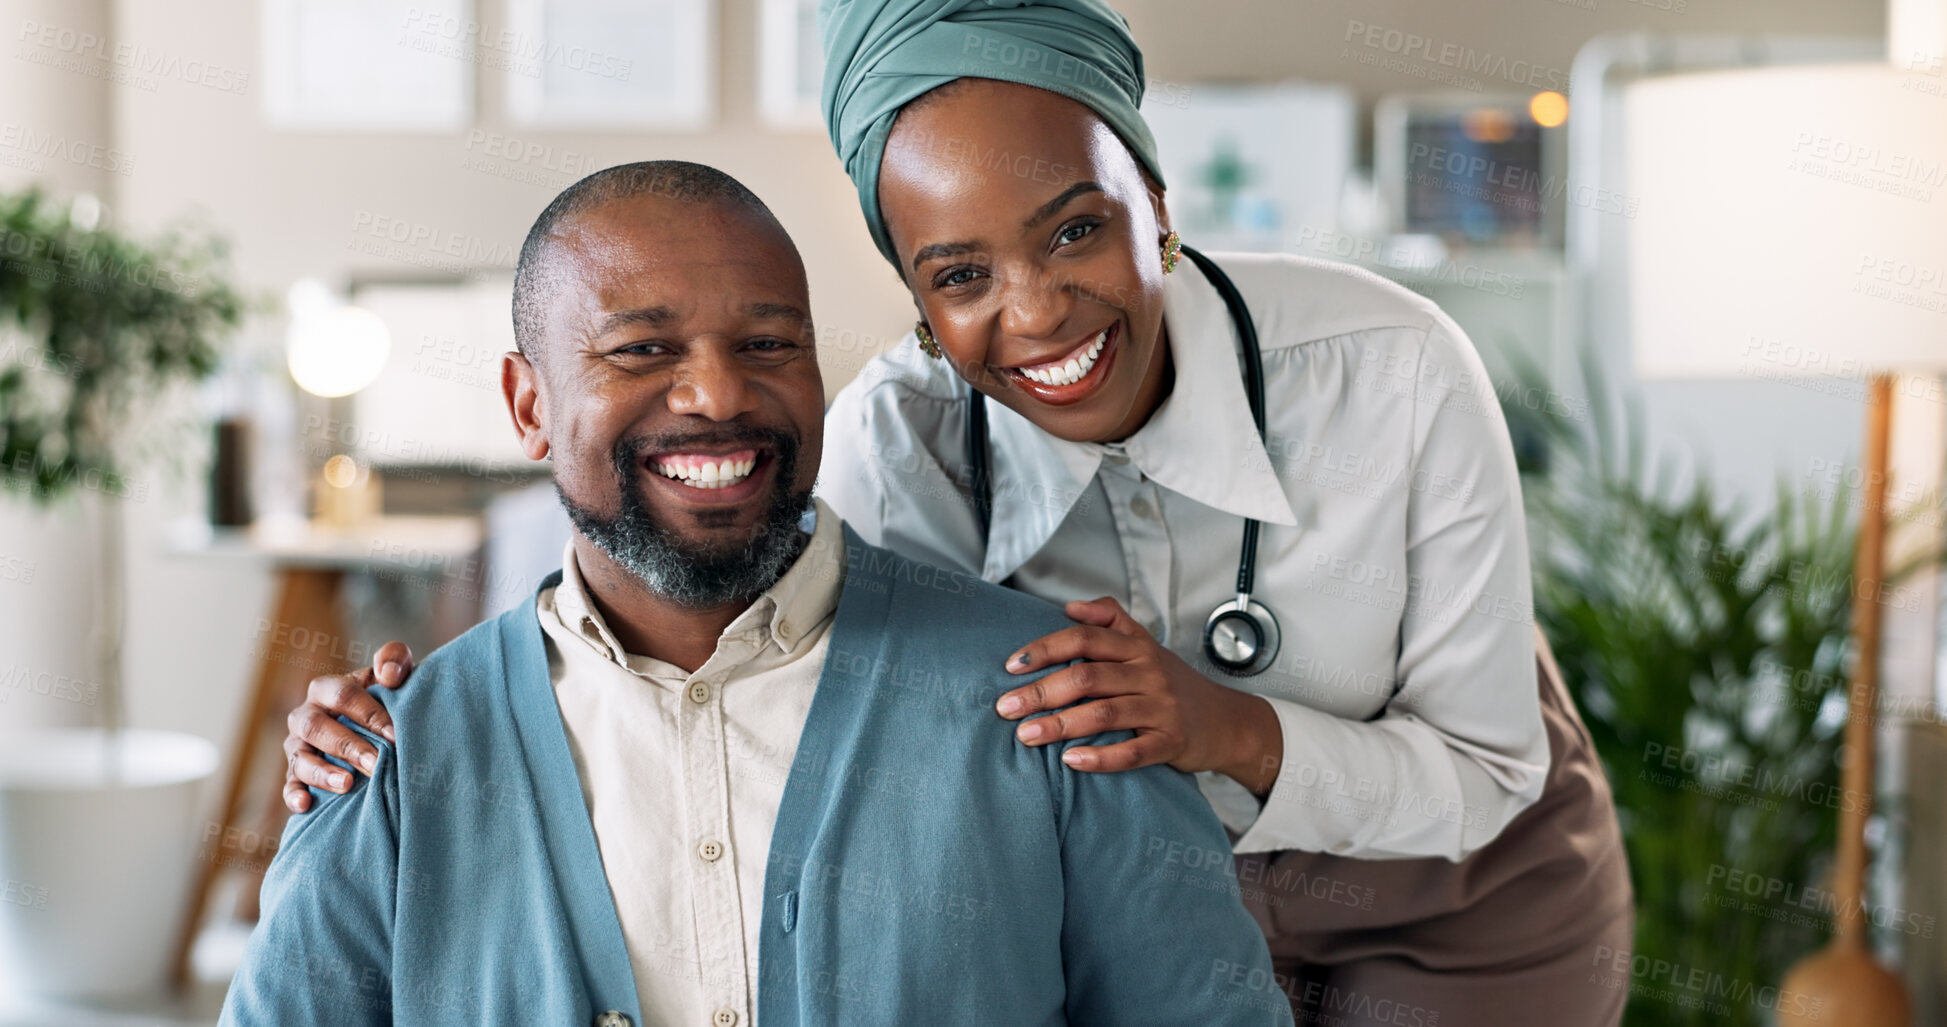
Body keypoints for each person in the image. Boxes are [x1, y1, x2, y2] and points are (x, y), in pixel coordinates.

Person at [280, 2, 1634, 1023]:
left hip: (1452, 879)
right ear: (915, 304)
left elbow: (1481, 771)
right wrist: (401, 722)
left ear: (1155, 204)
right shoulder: (885, 438)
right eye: (960, 272)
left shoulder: (1388, 368)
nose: (1035, 310)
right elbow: (792, 655)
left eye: (1073, 230)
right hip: (1163, 883)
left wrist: (1216, 722)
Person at [221, 161, 1293, 1026]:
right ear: (529, 402)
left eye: (768, 344)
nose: (719, 394)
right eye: (643, 349)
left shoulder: (1059, 703)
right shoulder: (394, 765)